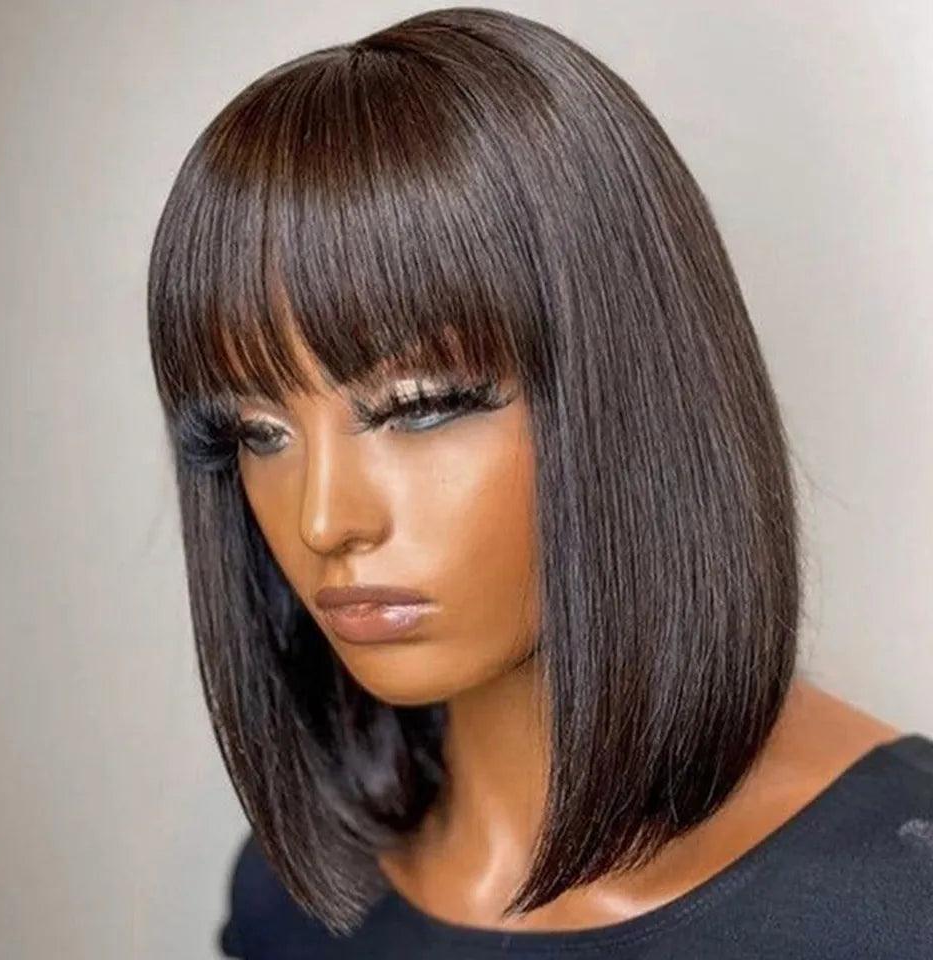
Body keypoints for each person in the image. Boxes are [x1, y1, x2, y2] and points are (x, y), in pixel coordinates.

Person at [146, 6, 933, 957]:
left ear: (634, 389)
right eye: (259, 433)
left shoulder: (897, 906)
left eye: (421, 408)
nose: (323, 519)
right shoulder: (300, 899)